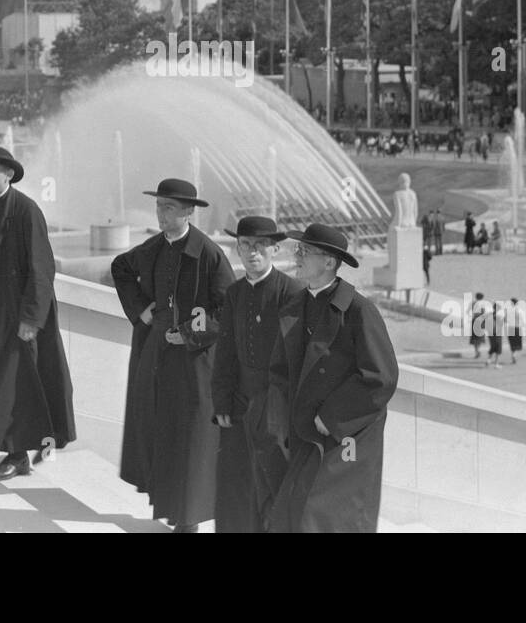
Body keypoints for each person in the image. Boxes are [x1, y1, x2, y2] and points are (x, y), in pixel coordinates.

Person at [113, 178, 234, 532]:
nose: (161, 214)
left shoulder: (210, 254)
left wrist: (190, 335)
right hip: (157, 355)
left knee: (191, 435)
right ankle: (169, 506)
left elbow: (227, 310)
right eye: (159, 206)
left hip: (194, 361)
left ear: (188, 212)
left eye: (169, 208)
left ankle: (189, 518)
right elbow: (121, 268)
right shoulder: (152, 247)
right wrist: (140, 311)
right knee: (161, 429)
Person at [265, 224, 398, 532]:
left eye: (304, 252)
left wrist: (332, 416)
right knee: (291, 512)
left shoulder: (359, 311)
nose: (296, 257)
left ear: (328, 262)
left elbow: (381, 377)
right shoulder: (296, 306)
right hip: (305, 430)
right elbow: (281, 371)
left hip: (349, 435)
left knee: (325, 514)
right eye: (298, 250)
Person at [0, 145, 76, 479]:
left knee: (14, 383)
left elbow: (43, 269)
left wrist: (31, 320)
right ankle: (1, 445)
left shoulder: (27, 211)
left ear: (8, 174)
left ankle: (16, 454)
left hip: (22, 311)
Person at [211, 216, 305, 533]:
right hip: (238, 405)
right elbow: (224, 353)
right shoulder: (235, 293)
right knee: (237, 483)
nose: (252, 252)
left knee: (272, 481)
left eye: (260, 246)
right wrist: (221, 402)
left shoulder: (291, 293)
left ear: (275, 249)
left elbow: (296, 359)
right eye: (245, 245)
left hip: (275, 406)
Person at [467, 292, 488, 358]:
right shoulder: (483, 304)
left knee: (474, 337)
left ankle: (476, 351)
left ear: (476, 297)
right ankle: (478, 349)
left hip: (475, 319)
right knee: (480, 336)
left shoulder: (473, 303)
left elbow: (467, 311)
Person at [485, 301, 506, 369]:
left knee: (492, 346)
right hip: (497, 333)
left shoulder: (488, 315)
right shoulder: (499, 316)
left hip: (490, 333)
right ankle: (496, 364)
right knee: (498, 348)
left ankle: (488, 360)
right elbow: (503, 323)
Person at [507, 297, 526, 363]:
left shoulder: (508, 310)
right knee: (517, 343)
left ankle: (513, 354)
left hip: (510, 328)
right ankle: (514, 355)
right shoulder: (520, 311)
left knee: (512, 343)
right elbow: (524, 321)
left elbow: (506, 320)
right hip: (517, 328)